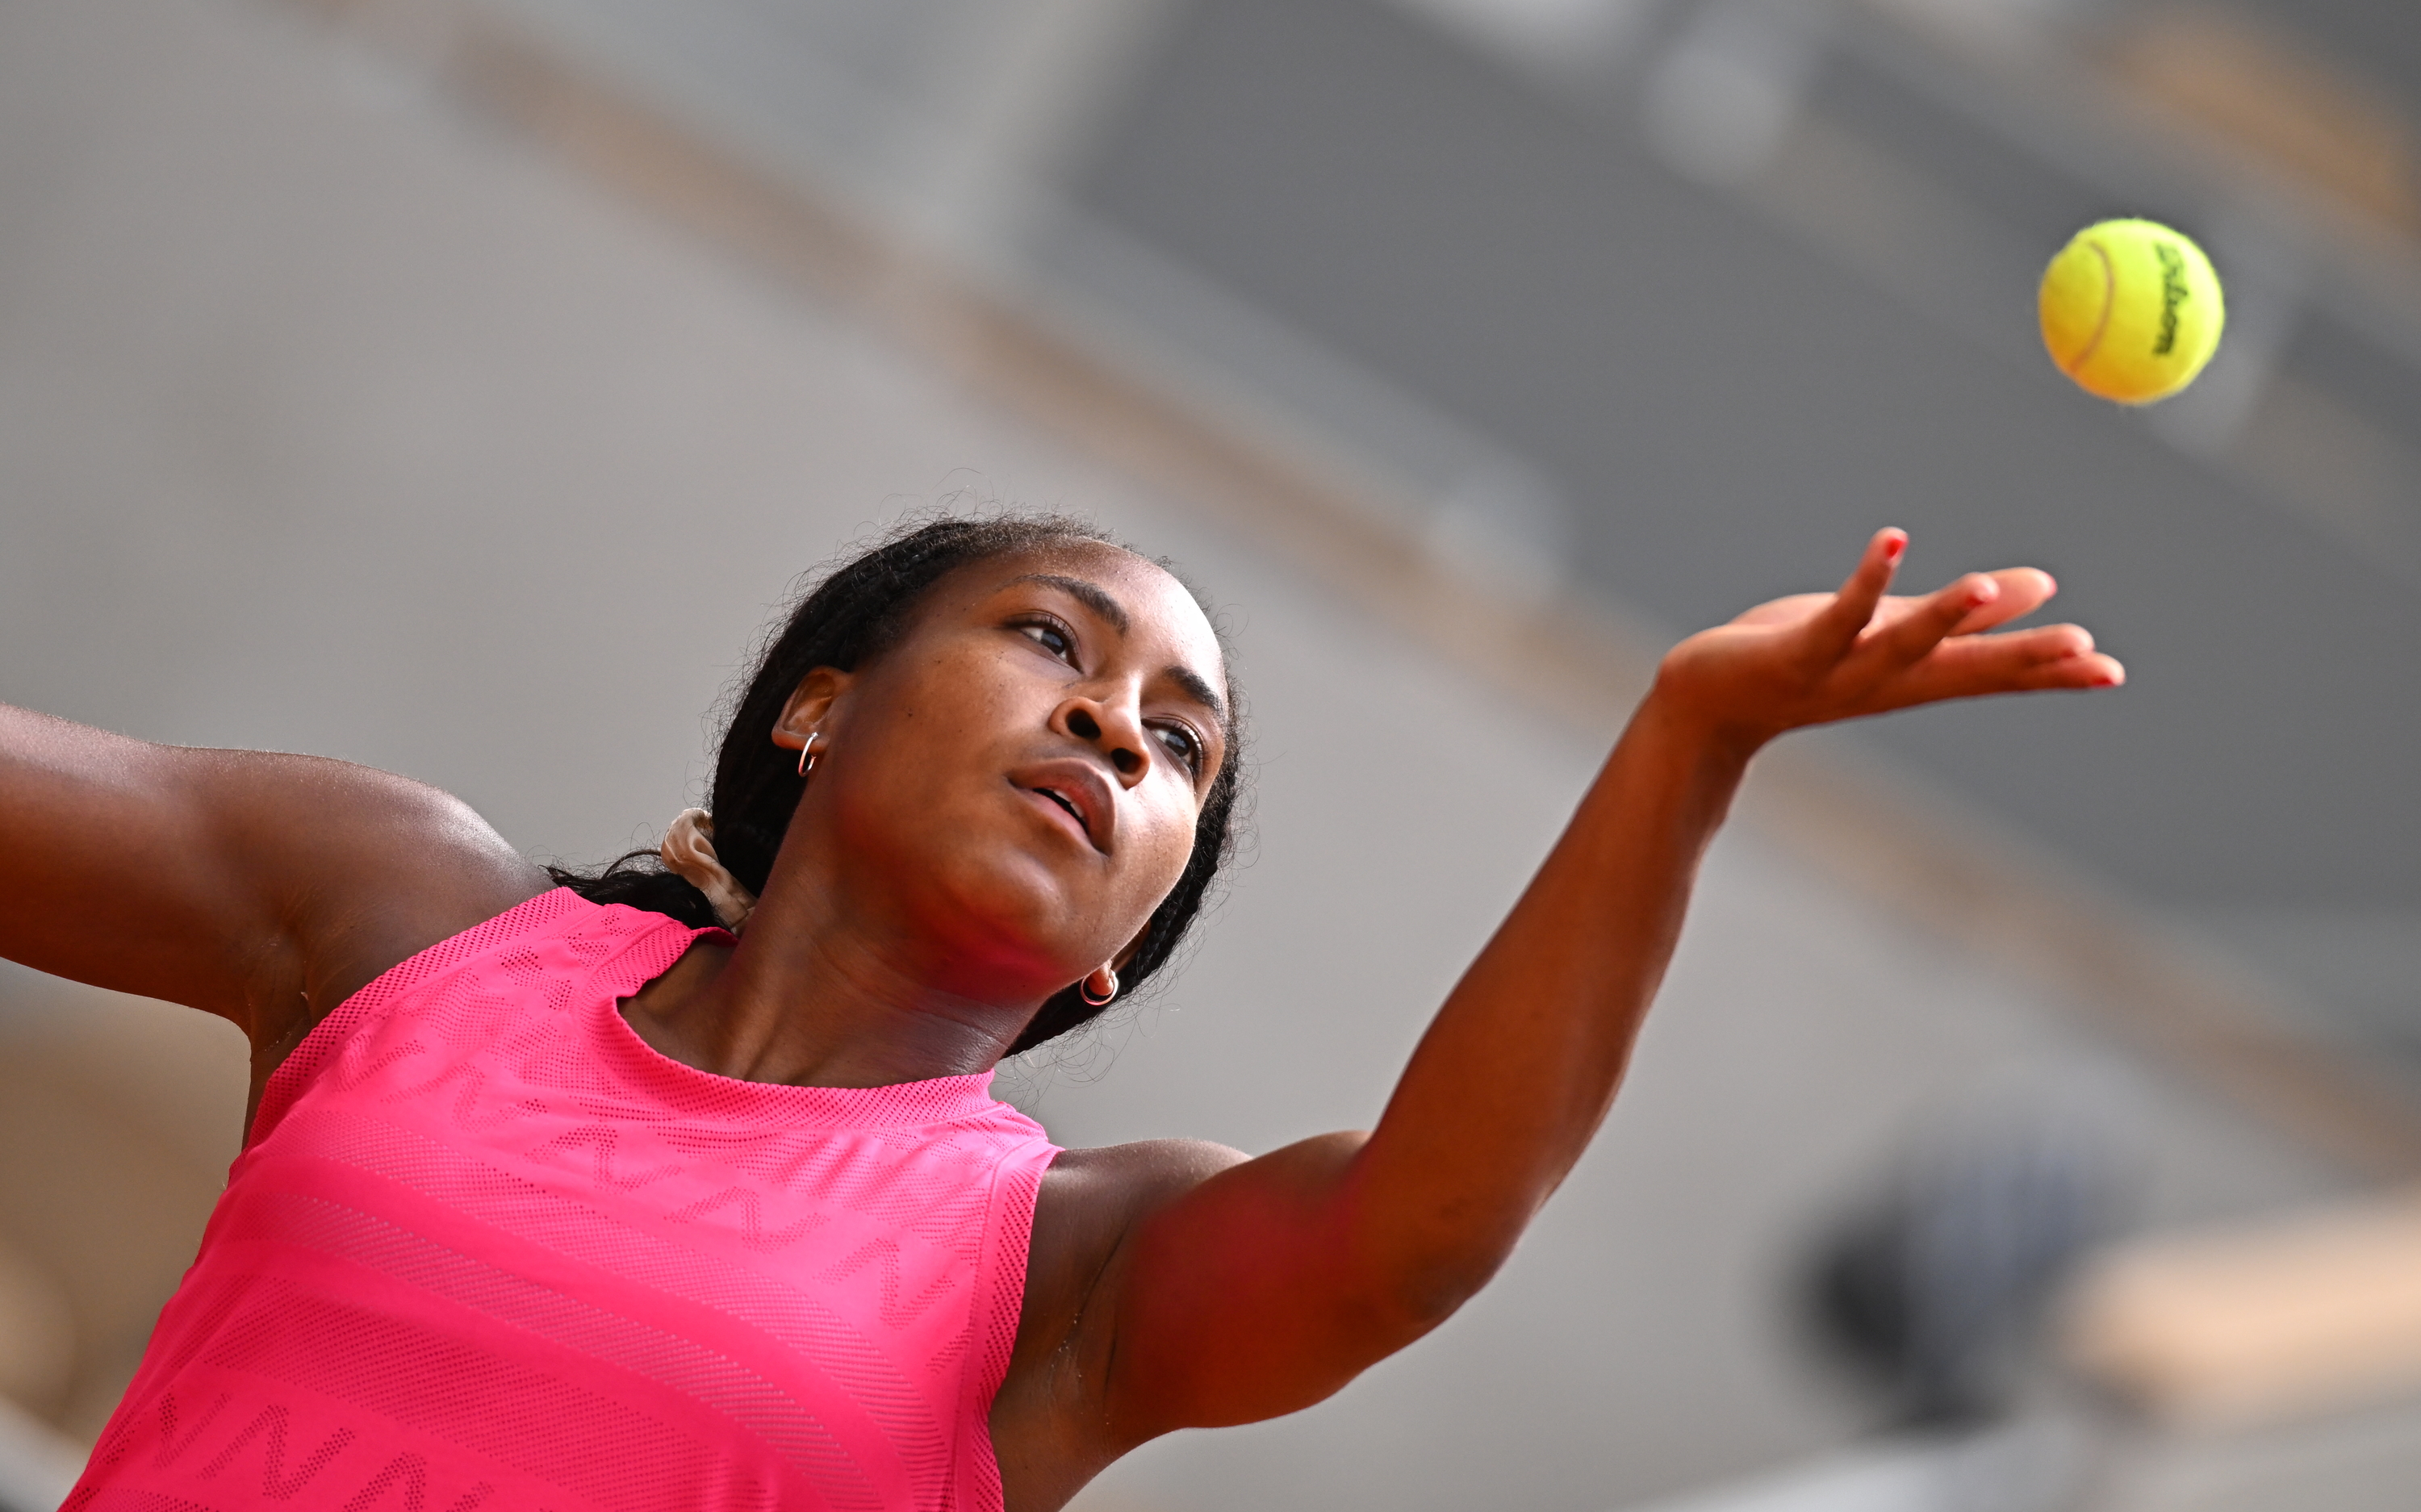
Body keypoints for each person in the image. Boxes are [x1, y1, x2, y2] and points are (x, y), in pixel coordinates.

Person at [6, 511, 2120, 1511]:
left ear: (1122, 940)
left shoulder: (1066, 1274)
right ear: (815, 712)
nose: (1120, 727)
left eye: (1184, 748)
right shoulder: (403, 921)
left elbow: (1423, 1228)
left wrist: (1687, 745)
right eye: (1052, 642)